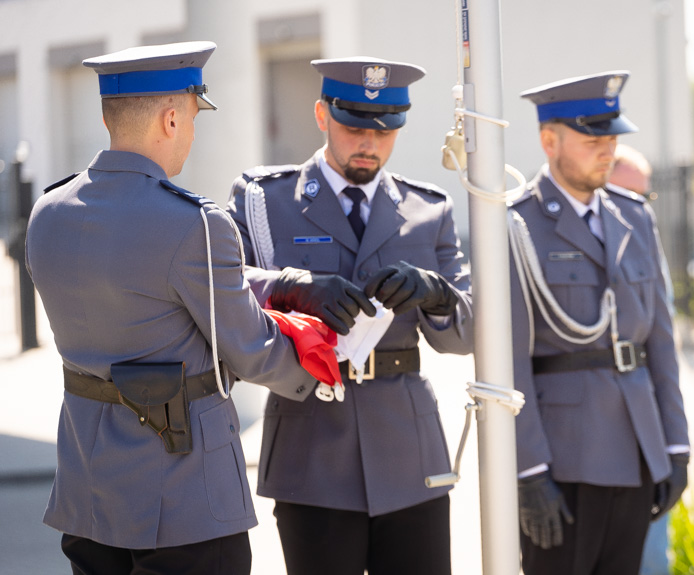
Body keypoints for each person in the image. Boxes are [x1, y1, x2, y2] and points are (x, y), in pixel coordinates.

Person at [25, 42, 320, 575]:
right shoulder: (195, 224)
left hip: (89, 493)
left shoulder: (48, 213)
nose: (190, 132)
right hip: (184, 500)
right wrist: (327, 364)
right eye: (190, 118)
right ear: (169, 119)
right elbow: (250, 351)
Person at [225, 56, 473, 575]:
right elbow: (221, 288)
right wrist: (293, 288)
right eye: (355, 125)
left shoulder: (428, 210)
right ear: (321, 115)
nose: (370, 141)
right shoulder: (263, 201)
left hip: (409, 451)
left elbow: (467, 332)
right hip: (311, 443)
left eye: (387, 129)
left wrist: (435, 294)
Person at [507, 71, 690, 574]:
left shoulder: (634, 217)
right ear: (549, 140)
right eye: (593, 139)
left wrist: (676, 443)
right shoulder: (516, 225)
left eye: (612, 138)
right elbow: (509, 363)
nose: (607, 150)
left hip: (636, 443)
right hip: (564, 456)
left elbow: (660, 340)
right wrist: (529, 470)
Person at [608, 144, 673, 575]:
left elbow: (664, 341)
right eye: (626, 193)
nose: (637, 206)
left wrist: (675, 439)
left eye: (644, 197)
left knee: (651, 557)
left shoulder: (646, 239)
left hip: (646, 415)